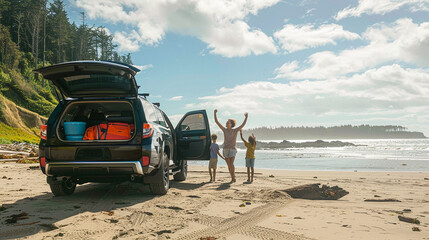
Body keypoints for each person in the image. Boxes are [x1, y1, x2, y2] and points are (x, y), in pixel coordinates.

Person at [214, 109, 248, 183]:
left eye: (228, 122)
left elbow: (242, 125)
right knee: (229, 165)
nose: (226, 123)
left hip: (232, 149)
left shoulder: (235, 130)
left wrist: (246, 117)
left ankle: (233, 178)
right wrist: (215, 113)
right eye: (226, 122)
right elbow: (217, 122)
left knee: (231, 164)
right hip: (225, 149)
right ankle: (233, 177)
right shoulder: (224, 130)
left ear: (231, 124)